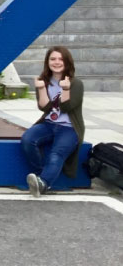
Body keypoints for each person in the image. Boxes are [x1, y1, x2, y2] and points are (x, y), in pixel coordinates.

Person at [20, 46, 84, 197]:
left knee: (56, 154)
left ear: (67, 62)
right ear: (47, 62)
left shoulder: (76, 83)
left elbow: (67, 107)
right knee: (28, 139)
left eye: (60, 59)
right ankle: (42, 176)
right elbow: (44, 108)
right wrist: (41, 88)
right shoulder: (44, 81)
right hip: (49, 124)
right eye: (53, 59)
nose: (56, 62)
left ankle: (43, 183)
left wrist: (66, 89)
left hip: (69, 127)